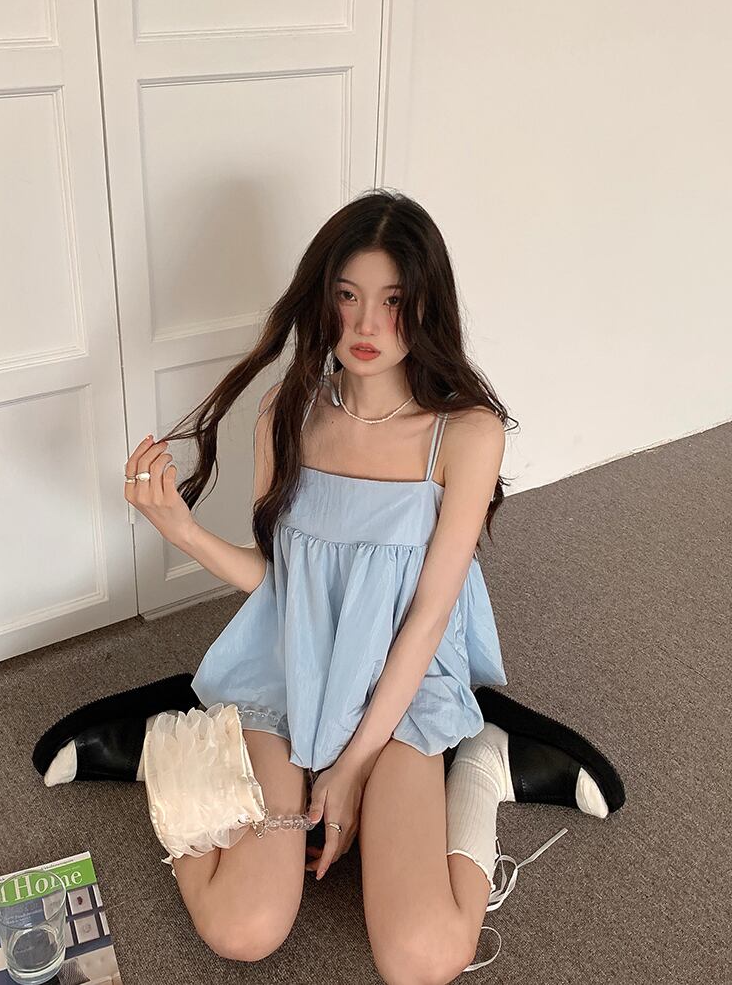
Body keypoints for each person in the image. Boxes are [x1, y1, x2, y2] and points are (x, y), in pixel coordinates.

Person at [33, 189, 624, 976]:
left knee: (422, 959)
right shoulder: (287, 411)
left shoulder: (467, 433)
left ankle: (482, 763)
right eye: (348, 297)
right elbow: (280, 588)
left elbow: (428, 617)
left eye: (393, 300)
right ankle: (178, 744)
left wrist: (350, 770)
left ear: (427, 306)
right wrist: (181, 530)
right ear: (324, 301)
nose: (367, 324)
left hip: (403, 687)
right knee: (243, 928)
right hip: (292, 669)